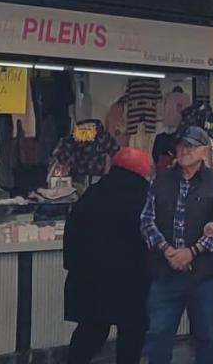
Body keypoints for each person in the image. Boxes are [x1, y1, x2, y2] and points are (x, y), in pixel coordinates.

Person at [140, 127, 213, 364]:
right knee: (158, 335)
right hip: (165, 272)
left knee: (207, 337)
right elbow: (146, 221)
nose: (184, 150)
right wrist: (168, 251)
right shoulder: (159, 180)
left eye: (190, 146)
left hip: (204, 275)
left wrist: (191, 252)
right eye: (181, 145)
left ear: (204, 150)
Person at [64, 147, 152, 364]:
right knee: (132, 332)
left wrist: (74, 267)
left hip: (89, 278)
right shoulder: (145, 195)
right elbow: (149, 236)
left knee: (91, 329)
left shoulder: (92, 193)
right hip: (131, 280)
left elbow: (72, 233)